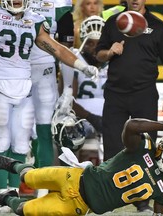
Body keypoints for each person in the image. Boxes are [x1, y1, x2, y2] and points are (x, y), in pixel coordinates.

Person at [0, 0, 99, 201]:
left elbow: (57, 49)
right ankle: (0, 192)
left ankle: (14, 192)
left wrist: (82, 67)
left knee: (21, 142)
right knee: (1, 138)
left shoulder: (34, 20)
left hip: (24, 83)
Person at [0, 118, 163, 216]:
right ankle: (8, 163)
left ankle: (3, 198)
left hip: (80, 206)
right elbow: (131, 125)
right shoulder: (143, 148)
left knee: (26, 210)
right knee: (29, 178)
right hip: (75, 177)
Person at [96, 0, 163, 211]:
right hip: (115, 93)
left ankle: (143, 200)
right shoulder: (113, 22)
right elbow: (99, 55)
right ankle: (109, 196)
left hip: (145, 94)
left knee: (147, 147)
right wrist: (110, 52)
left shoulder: (157, 25)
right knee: (112, 146)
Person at [28, 0, 74, 170]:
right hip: (16, 75)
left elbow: (67, 52)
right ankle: (12, 187)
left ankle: (41, 183)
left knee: (42, 131)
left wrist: (68, 90)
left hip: (43, 75)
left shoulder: (61, 8)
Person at [57, 15, 107, 163]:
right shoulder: (74, 59)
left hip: (111, 116)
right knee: (65, 129)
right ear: (83, 42)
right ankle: (67, 178)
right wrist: (92, 118)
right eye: (90, 43)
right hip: (82, 118)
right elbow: (67, 99)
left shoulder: (114, 60)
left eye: (98, 43)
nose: (94, 48)